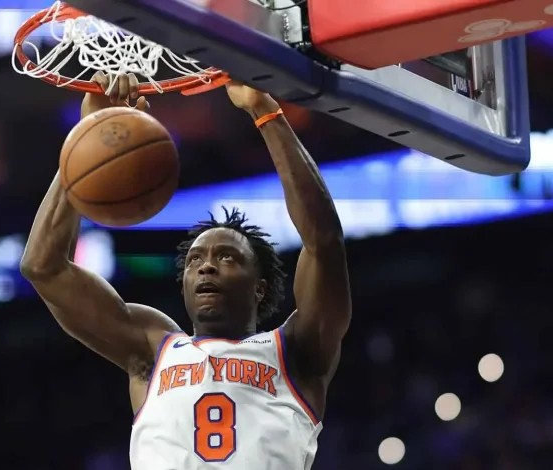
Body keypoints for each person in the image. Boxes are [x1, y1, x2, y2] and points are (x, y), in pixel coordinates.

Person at [20, 72, 351, 469]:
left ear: (259, 288)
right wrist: (88, 138)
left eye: (227, 257)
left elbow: (324, 241)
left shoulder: (296, 353)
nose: (206, 265)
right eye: (195, 260)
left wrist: (265, 112)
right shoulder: (152, 348)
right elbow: (43, 267)